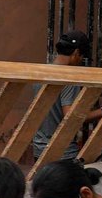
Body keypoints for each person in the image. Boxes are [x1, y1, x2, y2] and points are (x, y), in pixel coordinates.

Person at [30, 30, 91, 160]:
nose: (80, 61)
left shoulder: (40, 74)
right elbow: (70, 115)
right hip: (62, 151)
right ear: (76, 53)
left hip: (39, 149)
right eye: (82, 57)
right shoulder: (68, 77)